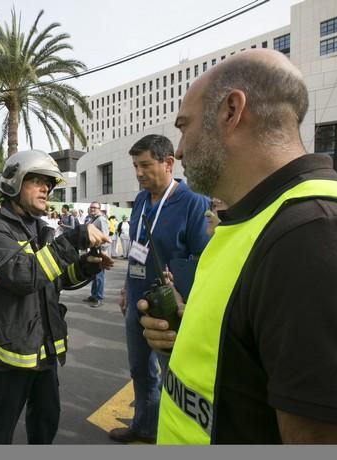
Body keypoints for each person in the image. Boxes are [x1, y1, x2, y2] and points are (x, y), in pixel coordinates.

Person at [141, 49, 337, 444]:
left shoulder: (321, 235)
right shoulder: (256, 220)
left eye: (185, 127)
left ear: (232, 111)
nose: (179, 150)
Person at [0, 150, 113, 444]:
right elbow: (24, 277)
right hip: (11, 355)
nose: (46, 188)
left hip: (44, 349)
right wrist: (73, 239)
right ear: (13, 184)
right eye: (37, 181)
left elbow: (55, 279)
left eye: (49, 183)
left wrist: (86, 267)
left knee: (46, 422)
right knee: (1, 430)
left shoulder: (42, 229)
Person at [109, 134, 210, 445]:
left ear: (168, 163)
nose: (138, 173)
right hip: (138, 300)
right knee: (140, 369)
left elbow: (202, 260)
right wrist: (128, 287)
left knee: (173, 376)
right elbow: (139, 247)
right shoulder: (140, 201)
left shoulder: (194, 202)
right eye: (135, 166)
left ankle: (174, 436)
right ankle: (144, 426)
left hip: (170, 308)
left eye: (145, 165)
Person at [82, 201, 109, 308]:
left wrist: (102, 252)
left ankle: (99, 298)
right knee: (94, 274)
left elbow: (105, 236)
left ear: (99, 209)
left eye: (95, 207)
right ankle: (93, 295)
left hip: (99, 251)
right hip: (93, 250)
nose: (92, 209)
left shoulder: (101, 219)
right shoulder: (93, 219)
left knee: (99, 276)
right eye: (91, 207)